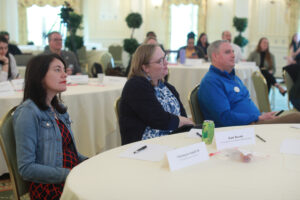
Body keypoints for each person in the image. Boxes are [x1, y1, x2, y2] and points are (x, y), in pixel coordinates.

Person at [13, 54, 87, 199]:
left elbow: (69, 151)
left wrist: (89, 162)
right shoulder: (28, 112)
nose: (65, 74)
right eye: (57, 70)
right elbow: (26, 168)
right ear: (40, 76)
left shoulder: (58, 110)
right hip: (49, 187)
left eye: (64, 70)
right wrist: (70, 174)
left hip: (68, 179)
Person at [197, 40, 300, 127]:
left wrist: (261, 115)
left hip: (256, 121)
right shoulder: (212, 82)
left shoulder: (233, 77)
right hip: (245, 129)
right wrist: (257, 117)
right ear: (215, 56)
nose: (233, 55)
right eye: (228, 52)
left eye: (233, 51)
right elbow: (224, 118)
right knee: (296, 118)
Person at [119, 44, 194, 144]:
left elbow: (182, 116)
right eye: (160, 61)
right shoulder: (136, 86)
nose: (166, 63)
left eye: (165, 58)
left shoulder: (167, 87)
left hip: (172, 142)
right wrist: (184, 120)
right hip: (143, 147)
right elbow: (159, 119)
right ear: (145, 67)